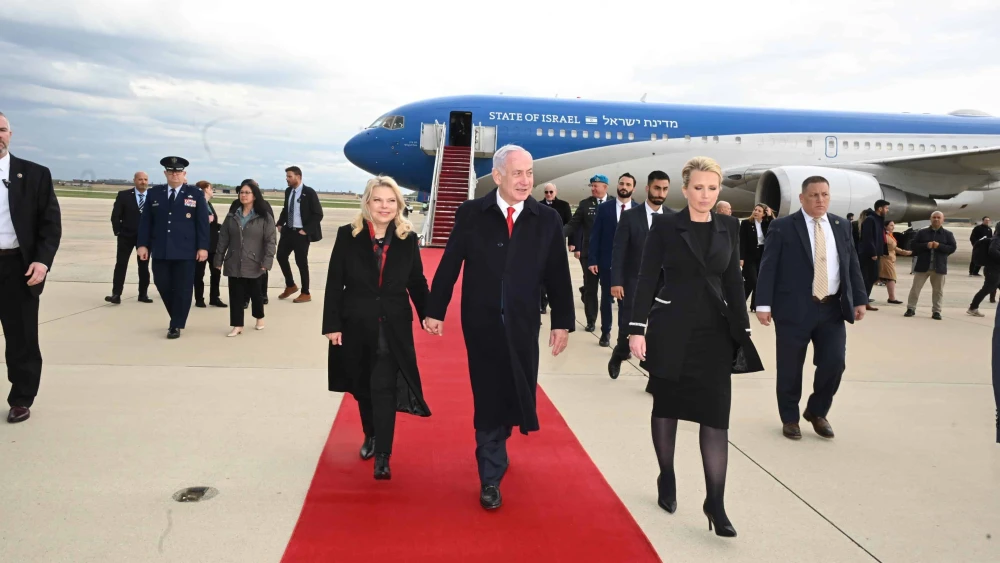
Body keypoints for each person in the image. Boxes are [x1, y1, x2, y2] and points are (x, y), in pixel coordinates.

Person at [424, 144, 574, 511]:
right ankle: (490, 475)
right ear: (498, 176)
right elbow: (450, 263)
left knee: (517, 388)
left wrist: (563, 323)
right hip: (482, 323)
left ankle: (500, 439)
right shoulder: (473, 214)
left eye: (530, 173)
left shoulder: (546, 219)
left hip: (524, 324)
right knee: (489, 393)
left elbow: (557, 273)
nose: (526, 181)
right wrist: (435, 309)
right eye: (518, 173)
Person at [628, 157, 761, 538]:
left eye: (712, 188)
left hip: (715, 336)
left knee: (716, 419)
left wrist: (742, 328)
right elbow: (647, 275)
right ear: (684, 190)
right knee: (666, 408)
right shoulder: (667, 226)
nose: (705, 195)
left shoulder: (729, 226)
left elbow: (733, 282)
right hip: (671, 332)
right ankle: (666, 475)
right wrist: (637, 329)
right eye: (698, 188)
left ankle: (714, 503)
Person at [323, 175, 432, 480]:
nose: (385, 207)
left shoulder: (407, 238)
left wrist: (429, 314)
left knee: (383, 388)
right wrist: (332, 324)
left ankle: (383, 454)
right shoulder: (349, 235)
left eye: (391, 201)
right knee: (362, 389)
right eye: (378, 200)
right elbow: (334, 281)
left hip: (393, 327)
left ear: (398, 204)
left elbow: (416, 281)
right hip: (355, 323)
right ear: (367, 202)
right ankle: (370, 435)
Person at [755, 176, 867, 441]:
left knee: (834, 363)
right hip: (793, 308)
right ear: (802, 198)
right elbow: (768, 267)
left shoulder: (841, 226)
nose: (820, 200)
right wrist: (763, 304)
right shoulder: (783, 227)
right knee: (790, 367)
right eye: (814, 195)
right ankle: (790, 418)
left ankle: (817, 411)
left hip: (832, 309)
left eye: (825, 195)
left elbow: (851, 265)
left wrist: (860, 298)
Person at [0, 111, 62, 424]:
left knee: (21, 337)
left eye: (1, 130)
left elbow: (50, 224)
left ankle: (21, 398)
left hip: (17, 266)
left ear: (10, 134)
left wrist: (42, 260)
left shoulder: (34, 174)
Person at [136, 156, 210, 339]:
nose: (174, 175)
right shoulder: (155, 193)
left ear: (184, 174)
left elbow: (202, 223)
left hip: (186, 250)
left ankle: (175, 324)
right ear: (165, 173)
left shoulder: (195, 194)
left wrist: (203, 247)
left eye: (178, 172)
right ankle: (176, 316)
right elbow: (146, 222)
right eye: (171, 171)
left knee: (183, 288)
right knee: (163, 284)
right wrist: (142, 245)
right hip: (161, 249)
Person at [607, 170, 672, 379]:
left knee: (658, 330)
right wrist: (616, 281)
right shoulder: (629, 217)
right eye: (656, 188)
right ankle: (619, 353)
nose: (660, 193)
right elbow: (618, 252)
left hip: (663, 285)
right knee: (628, 325)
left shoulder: (672, 217)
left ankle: (654, 377)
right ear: (647, 188)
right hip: (634, 281)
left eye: (664, 189)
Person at [214, 180, 276, 336]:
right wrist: (218, 259)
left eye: (247, 192)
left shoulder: (264, 217)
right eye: (241, 192)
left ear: (254, 195)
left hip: (254, 262)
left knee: (256, 293)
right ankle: (237, 325)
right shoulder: (232, 216)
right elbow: (223, 239)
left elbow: (271, 240)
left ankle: (259, 317)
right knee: (235, 295)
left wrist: (267, 261)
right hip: (234, 261)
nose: (243, 195)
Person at [588, 173, 638, 346]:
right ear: (617, 186)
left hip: (629, 267)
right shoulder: (605, 208)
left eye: (628, 184)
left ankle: (623, 338)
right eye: (622, 183)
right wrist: (592, 260)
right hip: (607, 263)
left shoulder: (638, 210)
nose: (624, 186)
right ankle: (605, 332)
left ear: (634, 188)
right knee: (607, 300)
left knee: (626, 304)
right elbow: (595, 236)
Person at [564, 175, 610, 332]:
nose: (593, 188)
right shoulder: (585, 204)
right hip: (588, 255)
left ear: (605, 187)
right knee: (590, 289)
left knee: (607, 291)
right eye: (592, 186)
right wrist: (556, 234)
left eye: (596, 185)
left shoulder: (614, 203)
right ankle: (591, 320)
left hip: (608, 256)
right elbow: (572, 224)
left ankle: (607, 324)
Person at [275, 166, 323, 303]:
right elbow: (286, 209)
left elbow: (318, 214)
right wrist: (279, 223)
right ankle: (290, 285)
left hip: (301, 233)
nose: (287, 179)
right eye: (287, 176)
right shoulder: (288, 191)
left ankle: (305, 292)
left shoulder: (309, 192)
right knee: (281, 256)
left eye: (289, 176)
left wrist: (306, 230)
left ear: (298, 176)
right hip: (288, 231)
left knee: (301, 262)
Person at [107, 172, 152, 304]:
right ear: (134, 180)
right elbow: (115, 216)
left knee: (143, 266)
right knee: (121, 265)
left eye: (145, 179)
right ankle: (116, 294)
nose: (143, 182)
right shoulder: (124, 195)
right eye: (140, 179)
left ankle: (143, 294)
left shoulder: (153, 197)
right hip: (126, 237)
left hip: (144, 239)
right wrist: (118, 232)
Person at [904, 211, 956, 320]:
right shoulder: (922, 233)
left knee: (938, 291)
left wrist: (940, 246)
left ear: (943, 219)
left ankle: (936, 311)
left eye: (938, 217)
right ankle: (911, 308)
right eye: (934, 217)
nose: (936, 219)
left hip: (939, 267)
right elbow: (913, 245)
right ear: (930, 219)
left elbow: (952, 248)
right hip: (923, 266)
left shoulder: (948, 234)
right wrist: (926, 245)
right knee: (915, 289)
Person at [229, 196, 274, 306]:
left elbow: (270, 226)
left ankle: (263, 294)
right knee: (243, 275)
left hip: (257, 248)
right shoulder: (236, 205)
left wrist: (267, 256)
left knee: (260, 275)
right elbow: (230, 224)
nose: (245, 195)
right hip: (240, 250)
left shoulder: (264, 205)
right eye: (243, 192)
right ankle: (245, 298)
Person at [538, 182, 571, 314]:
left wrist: (573, 243)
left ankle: (556, 302)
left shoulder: (564, 205)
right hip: (541, 246)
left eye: (551, 192)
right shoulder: (538, 205)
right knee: (541, 276)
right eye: (546, 192)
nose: (549, 194)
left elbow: (571, 224)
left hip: (558, 245)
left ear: (555, 192)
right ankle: (542, 303)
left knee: (556, 275)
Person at [194, 181, 226, 308]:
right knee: (199, 273)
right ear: (206, 189)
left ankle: (214, 297)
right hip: (201, 245)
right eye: (211, 188)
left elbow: (213, 225)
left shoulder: (208, 204)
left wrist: (224, 227)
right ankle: (199, 299)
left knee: (216, 272)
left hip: (213, 245)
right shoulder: (197, 204)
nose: (213, 190)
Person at [739, 204, 770, 312]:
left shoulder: (767, 224)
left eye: (759, 211)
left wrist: (769, 218)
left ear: (764, 214)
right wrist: (741, 257)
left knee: (757, 282)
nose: (756, 212)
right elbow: (741, 241)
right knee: (752, 281)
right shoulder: (746, 223)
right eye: (755, 210)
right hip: (749, 256)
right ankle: (740, 303)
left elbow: (772, 233)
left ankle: (754, 305)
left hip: (762, 255)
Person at [858, 200, 889, 310]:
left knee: (873, 277)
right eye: (886, 208)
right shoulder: (871, 220)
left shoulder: (879, 220)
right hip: (869, 255)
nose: (887, 210)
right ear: (880, 208)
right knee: (867, 277)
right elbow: (868, 237)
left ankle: (865, 300)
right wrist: (873, 252)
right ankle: (862, 301)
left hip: (876, 254)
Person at [878, 221, 911, 304]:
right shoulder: (884, 236)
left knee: (879, 278)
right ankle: (891, 298)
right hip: (885, 259)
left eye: (893, 225)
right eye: (891, 225)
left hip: (890, 259)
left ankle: (865, 296)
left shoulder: (889, 235)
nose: (893, 227)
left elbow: (893, 248)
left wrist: (904, 252)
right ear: (885, 226)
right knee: (891, 278)